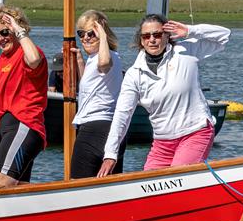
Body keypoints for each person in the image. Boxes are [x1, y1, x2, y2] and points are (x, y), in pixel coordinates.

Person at [97, 15, 230, 177]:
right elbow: (122, 115)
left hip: (195, 132)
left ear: (167, 36)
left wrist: (190, 31)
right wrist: (110, 153)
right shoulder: (134, 74)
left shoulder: (185, 51)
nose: (152, 40)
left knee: (176, 179)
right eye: (146, 36)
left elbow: (224, 36)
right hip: (162, 142)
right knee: (147, 185)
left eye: (157, 35)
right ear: (141, 40)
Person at [0, 4, 48, 187]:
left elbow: (34, 59)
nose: (0, 39)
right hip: (9, 127)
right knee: (20, 187)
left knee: (1, 184)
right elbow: (2, 95)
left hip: (23, 125)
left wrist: (18, 29)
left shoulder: (28, 53)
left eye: (4, 32)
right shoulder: (5, 58)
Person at [70, 10, 125, 179]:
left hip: (95, 129)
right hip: (103, 128)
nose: (85, 38)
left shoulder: (108, 57)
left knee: (78, 184)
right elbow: (91, 87)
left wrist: (101, 33)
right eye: (81, 34)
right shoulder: (95, 59)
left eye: (91, 33)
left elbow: (104, 63)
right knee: (107, 186)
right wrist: (80, 61)